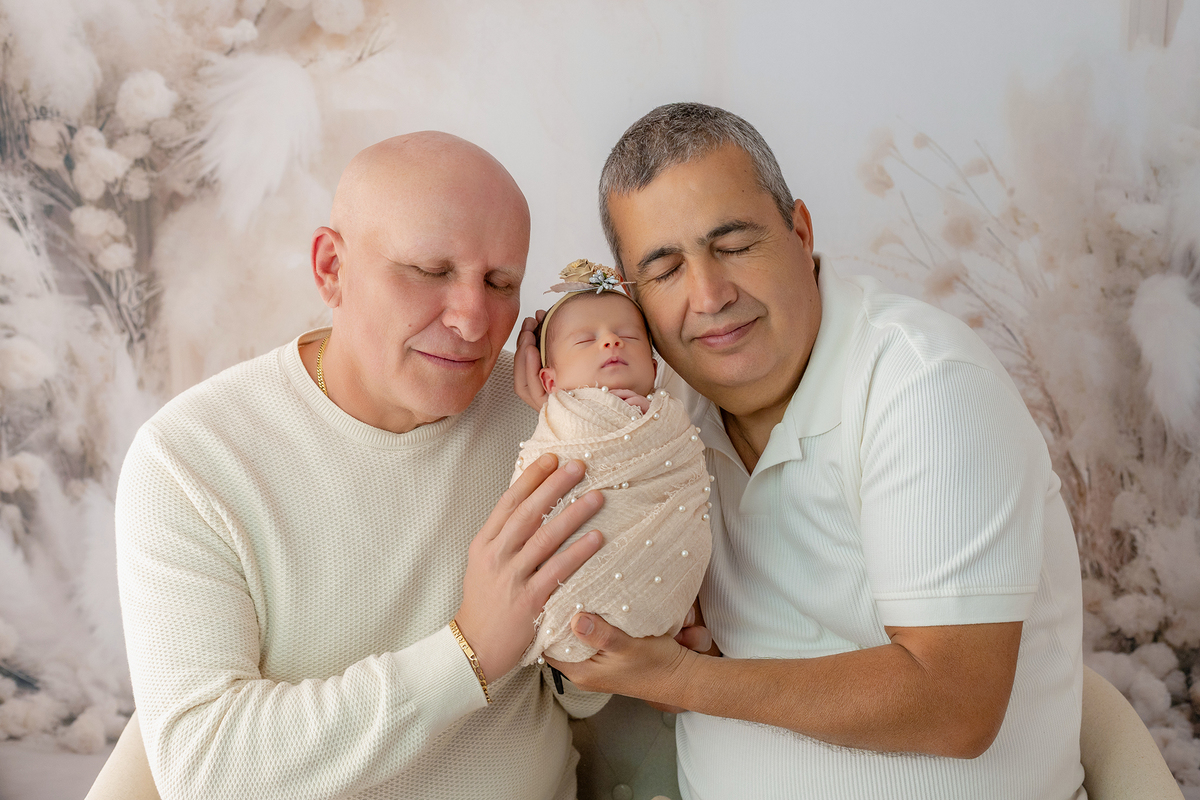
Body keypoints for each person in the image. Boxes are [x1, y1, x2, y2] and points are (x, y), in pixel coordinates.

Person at [516, 102, 1086, 799]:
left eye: (733, 244)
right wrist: (572, 410)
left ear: (800, 231)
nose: (709, 294)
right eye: (665, 269)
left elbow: (955, 703)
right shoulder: (664, 422)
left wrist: (683, 680)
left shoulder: (922, 385)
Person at [105, 132, 611, 800]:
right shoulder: (192, 460)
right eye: (429, 271)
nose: (471, 320)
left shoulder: (545, 415)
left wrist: (611, 631)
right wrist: (468, 654)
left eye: (500, 283)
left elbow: (584, 695)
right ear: (330, 268)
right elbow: (207, 770)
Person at [515, 259, 710, 667]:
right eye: (586, 341)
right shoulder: (560, 422)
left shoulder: (671, 418)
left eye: (627, 336)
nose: (611, 343)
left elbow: (684, 472)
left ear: (655, 370)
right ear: (550, 383)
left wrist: (647, 423)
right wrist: (574, 415)